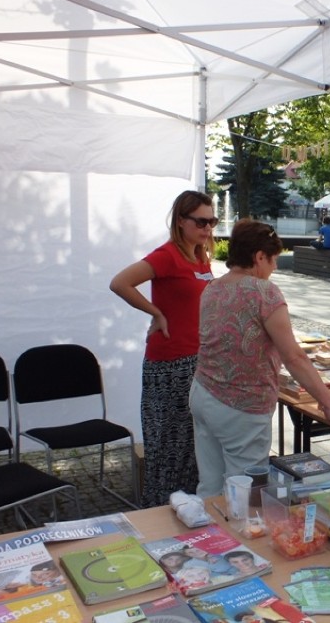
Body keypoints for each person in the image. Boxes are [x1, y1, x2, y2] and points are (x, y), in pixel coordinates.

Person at [190, 219, 330, 498]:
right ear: (259, 257)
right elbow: (294, 356)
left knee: (210, 486)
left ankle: (209, 537)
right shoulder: (264, 292)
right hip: (242, 406)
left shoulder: (213, 287)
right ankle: (240, 541)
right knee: (245, 493)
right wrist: (328, 402)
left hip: (204, 393)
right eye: (273, 260)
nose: (274, 268)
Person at [109, 190, 216, 508]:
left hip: (197, 359)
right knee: (168, 445)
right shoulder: (167, 255)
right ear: (181, 221)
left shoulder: (201, 257)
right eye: (200, 221)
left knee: (192, 444)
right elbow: (120, 282)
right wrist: (156, 312)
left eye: (212, 221)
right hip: (169, 365)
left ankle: (189, 508)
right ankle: (160, 510)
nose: (207, 228)